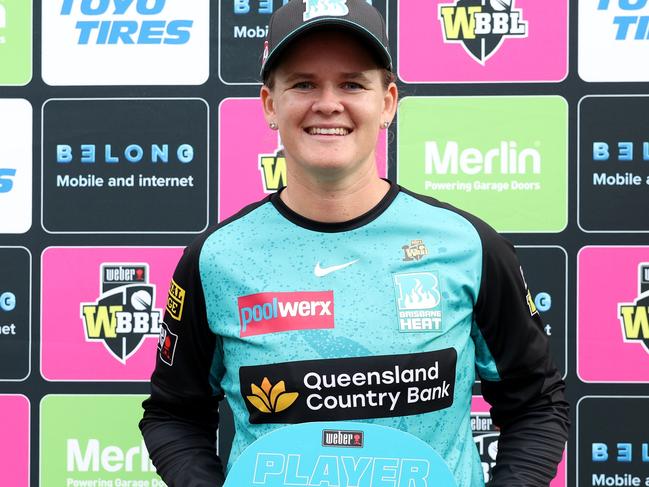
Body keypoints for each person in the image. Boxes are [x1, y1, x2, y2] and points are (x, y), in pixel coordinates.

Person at [140, 1, 569, 485]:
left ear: (386, 102)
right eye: (303, 84)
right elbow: (173, 414)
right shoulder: (216, 259)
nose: (328, 103)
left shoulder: (468, 245)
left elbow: (537, 403)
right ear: (269, 105)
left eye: (351, 84)